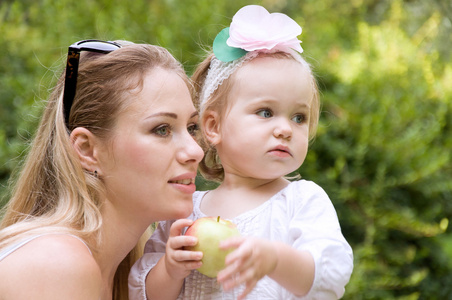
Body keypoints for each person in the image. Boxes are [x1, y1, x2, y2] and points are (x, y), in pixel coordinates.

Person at [129, 5, 353, 300]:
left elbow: (328, 279)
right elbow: (142, 295)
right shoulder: (185, 213)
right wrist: (170, 269)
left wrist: (274, 259)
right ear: (214, 125)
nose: (286, 129)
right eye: (265, 112)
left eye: (299, 117)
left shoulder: (301, 202)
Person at [0, 39, 204, 300]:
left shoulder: (137, 276)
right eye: (161, 129)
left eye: (192, 128)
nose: (196, 151)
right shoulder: (57, 265)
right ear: (87, 150)